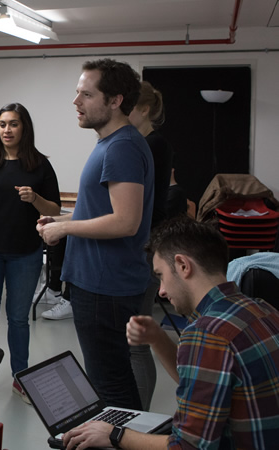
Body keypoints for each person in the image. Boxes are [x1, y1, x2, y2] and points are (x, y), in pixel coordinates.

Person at [63, 218, 279, 450]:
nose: (162, 291)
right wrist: (157, 338)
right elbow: (208, 384)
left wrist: (114, 434)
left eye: (161, 275)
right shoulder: (262, 308)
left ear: (183, 265)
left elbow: (187, 446)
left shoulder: (207, 334)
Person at [37, 58, 153, 410]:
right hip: (98, 283)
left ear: (116, 100)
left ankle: (123, 440)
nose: (76, 102)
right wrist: (61, 219)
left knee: (111, 385)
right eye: (77, 93)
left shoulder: (122, 147)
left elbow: (125, 222)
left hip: (106, 287)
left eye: (86, 94)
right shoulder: (110, 143)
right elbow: (105, 213)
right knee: (107, 380)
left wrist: (64, 228)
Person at [0, 103, 60, 407]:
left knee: (18, 319)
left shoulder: (40, 165)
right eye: (2, 124)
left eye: (13, 124)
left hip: (25, 253)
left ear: (24, 128)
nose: (7, 130)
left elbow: (54, 210)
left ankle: (21, 378)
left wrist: (35, 199)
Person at [127, 80, 173, 411]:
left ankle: (138, 413)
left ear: (143, 109)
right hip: (143, 246)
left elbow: (148, 206)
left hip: (146, 248)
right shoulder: (141, 142)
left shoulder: (153, 144)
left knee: (137, 341)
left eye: (129, 106)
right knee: (132, 340)